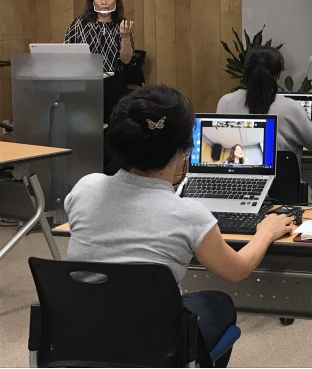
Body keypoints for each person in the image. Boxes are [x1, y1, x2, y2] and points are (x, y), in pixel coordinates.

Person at [65, 85, 295, 367]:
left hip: (82, 338)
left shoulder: (84, 188)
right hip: (152, 345)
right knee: (219, 303)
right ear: (183, 151)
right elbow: (237, 270)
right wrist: (266, 232)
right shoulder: (188, 214)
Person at [217, 47, 312, 166]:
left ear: (245, 73)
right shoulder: (291, 108)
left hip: (237, 190)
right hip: (282, 193)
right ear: (279, 76)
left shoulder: (225, 103)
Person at [64, 0, 135, 123]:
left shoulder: (121, 24)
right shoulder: (79, 24)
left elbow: (126, 60)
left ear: (116, 1)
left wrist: (125, 37)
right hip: (85, 83)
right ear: (92, 1)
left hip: (113, 82)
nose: (104, 2)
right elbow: (65, 53)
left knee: (114, 124)